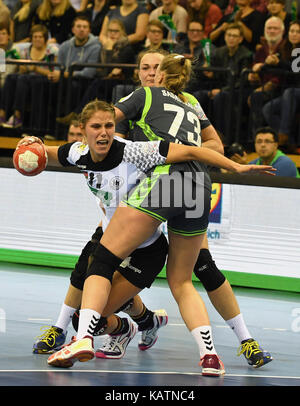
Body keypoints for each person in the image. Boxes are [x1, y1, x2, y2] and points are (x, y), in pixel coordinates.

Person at [45, 55, 274, 375]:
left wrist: (122, 149)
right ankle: (210, 356)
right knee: (183, 279)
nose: (150, 74)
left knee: (104, 259)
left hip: (163, 177)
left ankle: (82, 337)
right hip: (198, 182)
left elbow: (104, 121)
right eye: (146, 68)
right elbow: (212, 148)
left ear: (162, 75)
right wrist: (235, 166)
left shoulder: (144, 95)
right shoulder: (190, 102)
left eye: (155, 69)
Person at [56, 18, 135, 125]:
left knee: (97, 84)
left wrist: (109, 50)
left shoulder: (126, 48)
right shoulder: (103, 47)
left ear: (122, 32)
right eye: (110, 31)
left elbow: (110, 68)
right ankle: (78, 116)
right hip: (107, 80)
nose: (112, 34)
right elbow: (103, 71)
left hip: (123, 82)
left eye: (116, 31)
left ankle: (78, 115)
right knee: (91, 83)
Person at [193, 22, 253, 138]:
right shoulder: (219, 52)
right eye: (229, 35)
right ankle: (197, 134)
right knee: (198, 95)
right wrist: (209, 74)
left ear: (240, 39)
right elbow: (217, 76)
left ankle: (222, 136)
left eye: (234, 36)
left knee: (221, 97)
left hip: (237, 90)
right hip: (220, 88)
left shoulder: (246, 54)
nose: (231, 38)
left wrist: (221, 90)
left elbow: (242, 80)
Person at [1, 24, 59, 129]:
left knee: (24, 79)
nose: (37, 39)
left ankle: (17, 116)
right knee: (11, 77)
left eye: (40, 37)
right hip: (27, 80)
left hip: (45, 81)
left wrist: (36, 69)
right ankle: (2, 114)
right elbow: (23, 70)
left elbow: (53, 73)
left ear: (45, 38)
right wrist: (23, 69)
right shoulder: (26, 50)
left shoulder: (52, 50)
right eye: (35, 37)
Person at [48, 15, 101, 123]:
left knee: (71, 87)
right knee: (45, 84)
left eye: (85, 27)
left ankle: (69, 122)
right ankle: (49, 124)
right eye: (79, 26)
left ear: (89, 30)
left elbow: (89, 73)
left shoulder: (96, 47)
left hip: (83, 82)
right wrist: (54, 74)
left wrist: (65, 74)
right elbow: (59, 66)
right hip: (65, 80)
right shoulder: (65, 46)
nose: (82, 29)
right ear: (73, 29)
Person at [262, 20, 300, 151]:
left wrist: (279, 63)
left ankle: (283, 134)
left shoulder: (298, 51)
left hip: (295, 91)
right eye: (292, 31)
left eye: (298, 31)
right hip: (288, 93)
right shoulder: (285, 48)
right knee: (268, 108)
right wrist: (267, 63)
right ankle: (291, 142)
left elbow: (296, 73)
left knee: (289, 92)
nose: (294, 34)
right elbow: (278, 63)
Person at [247, 16, 285, 137]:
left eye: (275, 28)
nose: (272, 31)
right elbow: (254, 69)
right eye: (269, 28)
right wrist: (252, 76)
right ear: (264, 31)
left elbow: (281, 76)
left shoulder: (286, 48)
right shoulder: (262, 50)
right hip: (261, 87)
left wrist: (263, 87)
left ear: (282, 32)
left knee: (256, 97)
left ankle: (257, 137)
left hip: (280, 89)